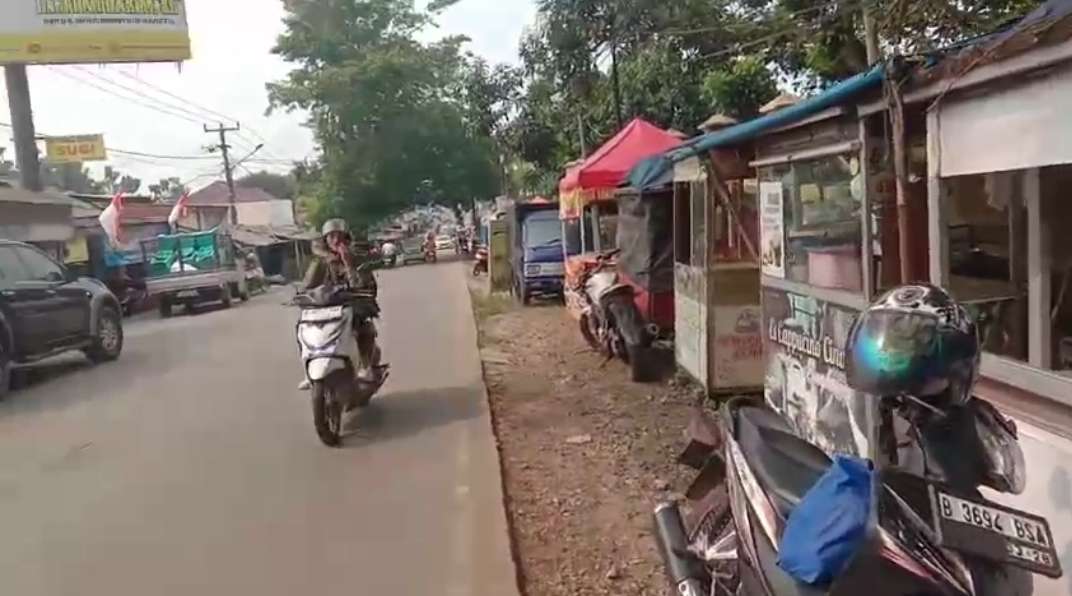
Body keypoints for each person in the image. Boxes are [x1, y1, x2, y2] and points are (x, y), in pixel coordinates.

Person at [298, 219, 380, 389]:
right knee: (302, 328)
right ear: (325, 241)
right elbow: (307, 286)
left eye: (339, 236)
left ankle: (366, 367)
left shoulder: (356, 258)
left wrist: (348, 263)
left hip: (353, 304)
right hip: (326, 308)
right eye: (331, 237)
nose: (335, 240)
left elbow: (365, 284)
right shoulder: (320, 262)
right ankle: (308, 370)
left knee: (365, 328)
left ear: (346, 239)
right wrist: (303, 295)